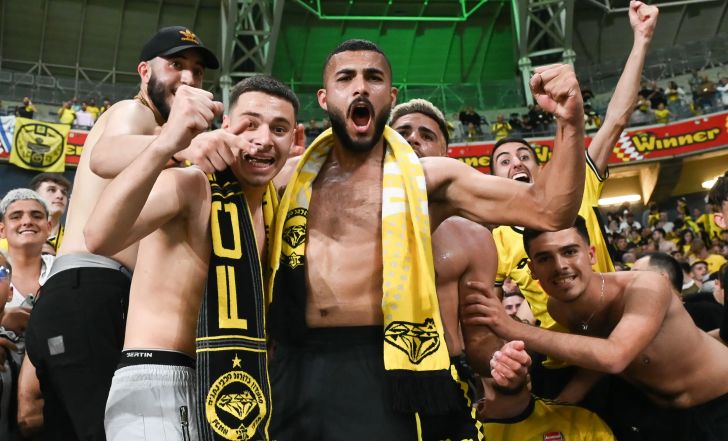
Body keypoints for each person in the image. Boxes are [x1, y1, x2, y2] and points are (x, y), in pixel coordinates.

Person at [266, 37, 586, 440]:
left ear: (391, 96)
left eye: (374, 77)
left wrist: (570, 121)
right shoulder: (286, 178)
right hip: (295, 365)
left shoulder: (430, 180)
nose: (361, 87)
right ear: (325, 97)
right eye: (346, 78)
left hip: (393, 364)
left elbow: (551, 210)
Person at [24, 26, 220, 441]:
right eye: (176, 64)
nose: (189, 78)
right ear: (144, 71)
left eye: (198, 71)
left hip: (78, 295)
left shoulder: (159, 135)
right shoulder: (135, 113)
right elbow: (104, 156)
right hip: (91, 291)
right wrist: (182, 145)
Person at [85, 75, 296, 441]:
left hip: (232, 384)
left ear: (294, 138)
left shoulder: (274, 205)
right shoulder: (191, 184)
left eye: (279, 129)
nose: (263, 139)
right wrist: (169, 144)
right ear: (225, 126)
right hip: (159, 381)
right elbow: (98, 237)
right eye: (250, 124)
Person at [489, 0, 657, 399]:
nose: (516, 163)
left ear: (540, 168)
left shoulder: (576, 189)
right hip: (557, 365)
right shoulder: (493, 239)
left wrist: (641, 39)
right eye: (504, 161)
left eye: (524, 156)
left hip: (622, 344)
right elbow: (491, 312)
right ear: (493, 180)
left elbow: (616, 118)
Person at [464, 215, 728, 440]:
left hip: (720, 402)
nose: (560, 266)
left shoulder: (646, 286)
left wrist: (511, 327)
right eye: (544, 258)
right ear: (532, 269)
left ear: (591, 254)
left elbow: (614, 356)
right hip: (665, 417)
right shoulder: (559, 307)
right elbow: (594, 361)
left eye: (569, 252)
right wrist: (552, 410)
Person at [389, 98, 501, 438]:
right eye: (402, 133)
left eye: (427, 135)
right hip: (367, 374)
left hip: (446, 378)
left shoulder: (472, 236)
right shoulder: (346, 221)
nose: (413, 139)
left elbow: (479, 342)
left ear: (444, 153)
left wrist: (504, 359)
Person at [480, 341, 615, 441]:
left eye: (510, 343)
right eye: (494, 345)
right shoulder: (470, 430)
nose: (505, 355)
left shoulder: (582, 423)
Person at [29, 173, 72, 255]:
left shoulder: (73, 241)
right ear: (34, 198)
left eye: (63, 192)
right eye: (52, 190)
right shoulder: (11, 238)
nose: (60, 196)